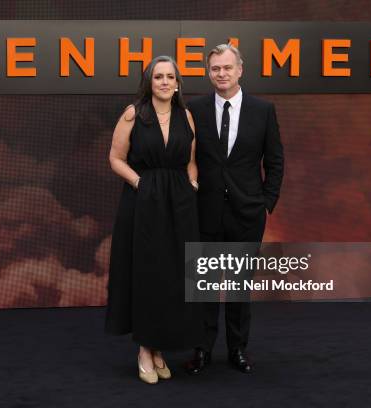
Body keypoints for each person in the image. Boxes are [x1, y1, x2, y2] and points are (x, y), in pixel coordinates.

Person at [185, 44, 284, 374]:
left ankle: (238, 350)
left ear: (240, 70)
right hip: (205, 210)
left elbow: (275, 162)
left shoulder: (263, 110)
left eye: (227, 68)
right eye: (215, 69)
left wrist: (266, 203)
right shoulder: (194, 109)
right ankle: (201, 350)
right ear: (208, 73)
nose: (222, 74)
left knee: (240, 286)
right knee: (205, 286)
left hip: (247, 213)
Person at [105, 56, 204, 384]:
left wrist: (191, 185)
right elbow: (115, 158)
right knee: (147, 274)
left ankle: (159, 348)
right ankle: (145, 350)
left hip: (179, 205)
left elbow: (190, 160)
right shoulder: (134, 114)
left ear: (178, 83)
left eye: (170, 76)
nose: (164, 81)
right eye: (158, 76)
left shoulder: (186, 116)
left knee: (173, 276)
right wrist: (140, 184)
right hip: (143, 202)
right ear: (149, 82)